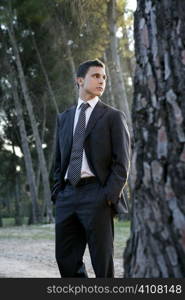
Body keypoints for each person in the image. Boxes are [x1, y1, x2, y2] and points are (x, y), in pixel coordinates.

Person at [51, 59, 130, 278]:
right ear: (79, 80)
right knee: (65, 259)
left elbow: (122, 162)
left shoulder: (112, 116)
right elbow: (58, 161)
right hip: (67, 195)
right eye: (96, 76)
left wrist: (107, 196)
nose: (101, 81)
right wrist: (58, 192)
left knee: (102, 264)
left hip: (97, 195)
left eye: (104, 77)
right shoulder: (64, 118)